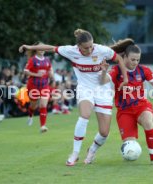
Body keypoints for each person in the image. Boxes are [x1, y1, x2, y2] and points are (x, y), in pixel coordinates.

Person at [19, 29, 128, 166]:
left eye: (91, 46)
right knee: (84, 115)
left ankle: (92, 150)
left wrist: (125, 77)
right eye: (85, 48)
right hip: (85, 89)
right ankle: (75, 153)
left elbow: (118, 58)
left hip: (102, 90)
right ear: (79, 47)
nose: (89, 50)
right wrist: (30, 47)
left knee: (104, 132)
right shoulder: (71, 50)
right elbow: (50, 48)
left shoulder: (101, 50)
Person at [100, 38, 153, 166]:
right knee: (130, 145)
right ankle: (129, 152)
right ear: (124, 57)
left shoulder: (143, 70)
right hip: (124, 111)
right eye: (133, 59)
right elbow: (102, 81)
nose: (135, 62)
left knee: (148, 122)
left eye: (138, 60)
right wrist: (103, 71)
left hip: (141, 106)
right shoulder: (116, 71)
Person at [23, 43, 54, 133]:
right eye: (39, 48)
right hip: (33, 86)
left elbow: (50, 70)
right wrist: (36, 74)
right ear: (36, 49)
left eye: (43, 48)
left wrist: (51, 74)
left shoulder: (47, 60)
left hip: (44, 86)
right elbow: (25, 71)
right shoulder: (32, 60)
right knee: (33, 105)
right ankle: (30, 116)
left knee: (43, 105)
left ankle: (43, 126)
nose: (41, 49)